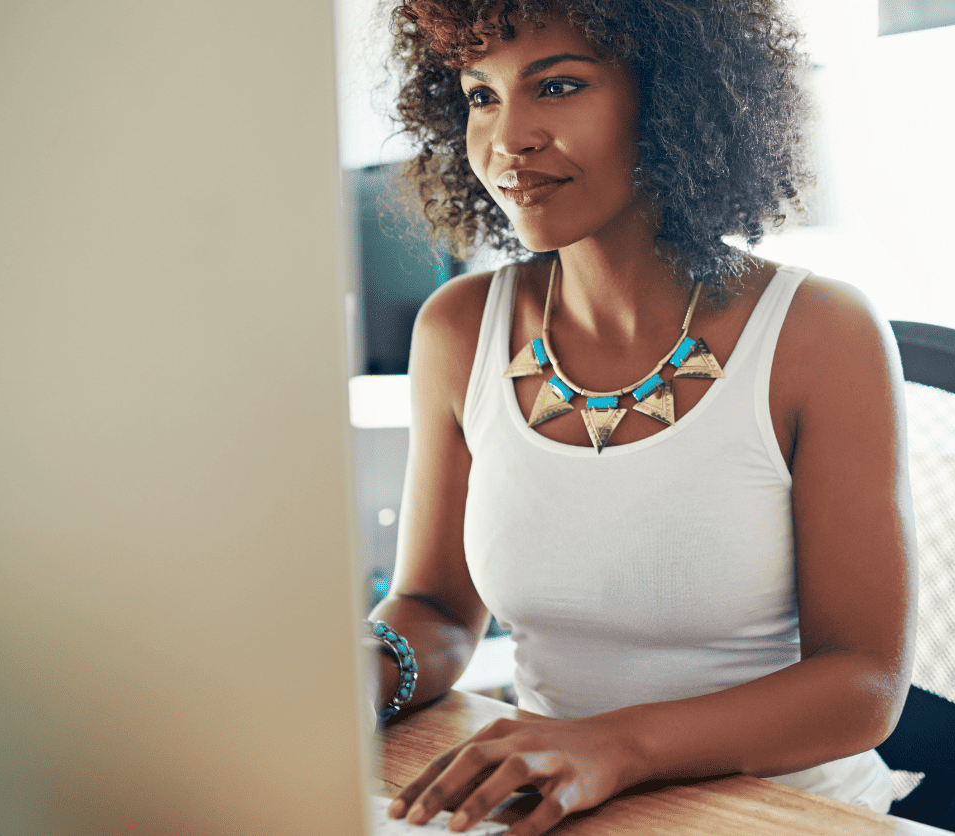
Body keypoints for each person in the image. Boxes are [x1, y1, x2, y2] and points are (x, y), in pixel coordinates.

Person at [365, 2, 917, 834]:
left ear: (669, 97)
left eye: (556, 85)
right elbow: (437, 607)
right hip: (557, 809)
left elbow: (862, 684)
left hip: (782, 811)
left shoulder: (820, 333)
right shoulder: (458, 328)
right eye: (481, 96)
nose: (508, 138)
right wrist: (369, 669)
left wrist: (612, 747)